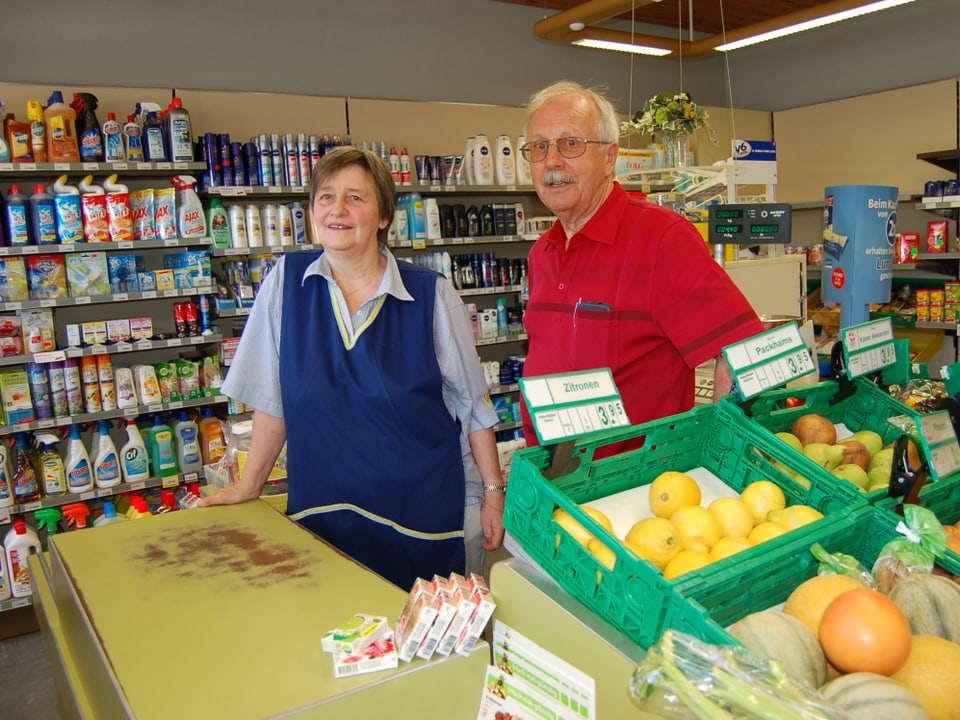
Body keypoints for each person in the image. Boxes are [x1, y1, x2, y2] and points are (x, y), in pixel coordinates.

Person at [199, 146, 506, 590]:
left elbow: (473, 407)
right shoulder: (286, 284)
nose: (336, 210)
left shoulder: (431, 297)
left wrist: (493, 494)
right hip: (325, 520)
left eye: (355, 198)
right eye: (325, 197)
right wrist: (251, 484)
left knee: (425, 650)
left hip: (420, 521)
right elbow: (273, 399)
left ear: (384, 215)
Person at [518, 80, 764, 446]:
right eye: (539, 147)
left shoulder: (661, 239)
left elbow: (742, 352)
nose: (552, 161)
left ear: (609, 157)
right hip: (552, 481)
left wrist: (722, 450)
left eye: (571, 144)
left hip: (636, 490)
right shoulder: (542, 254)